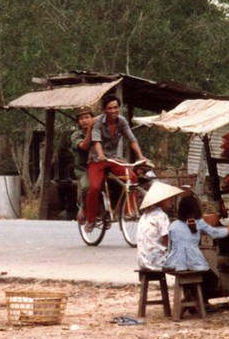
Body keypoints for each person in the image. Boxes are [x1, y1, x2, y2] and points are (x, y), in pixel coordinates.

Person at [84, 94, 148, 233]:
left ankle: (128, 212)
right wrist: (101, 155)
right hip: (97, 159)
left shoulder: (122, 121)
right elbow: (96, 142)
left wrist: (140, 155)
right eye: (110, 108)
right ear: (104, 110)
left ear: (119, 108)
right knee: (94, 187)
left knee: (132, 178)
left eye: (115, 107)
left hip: (114, 158)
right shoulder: (98, 123)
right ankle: (90, 219)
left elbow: (132, 139)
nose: (113, 111)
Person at [165, 193, 229, 298]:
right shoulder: (199, 222)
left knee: (191, 277)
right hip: (193, 262)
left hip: (175, 263)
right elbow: (215, 233)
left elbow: (170, 247)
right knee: (212, 279)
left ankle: (191, 296)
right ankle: (201, 301)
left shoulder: (173, 225)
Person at [136, 181, 185, 271]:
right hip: (157, 263)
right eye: (168, 199)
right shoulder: (161, 215)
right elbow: (168, 241)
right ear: (161, 200)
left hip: (143, 261)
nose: (171, 201)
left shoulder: (145, 215)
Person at [71, 105, 95, 224]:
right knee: (87, 186)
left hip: (97, 165)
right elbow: (84, 147)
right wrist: (90, 130)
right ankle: (83, 207)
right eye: (81, 118)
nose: (84, 120)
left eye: (87, 117)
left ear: (92, 118)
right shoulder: (76, 135)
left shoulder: (99, 131)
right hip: (83, 169)